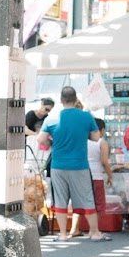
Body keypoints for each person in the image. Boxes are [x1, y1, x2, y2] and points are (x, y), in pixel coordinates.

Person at [41, 86, 108, 241]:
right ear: (75, 98)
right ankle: (95, 232)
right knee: (87, 198)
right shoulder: (86, 117)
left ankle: (63, 234)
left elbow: (41, 139)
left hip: (58, 165)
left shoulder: (52, 118)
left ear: (61, 100)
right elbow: (96, 137)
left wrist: (54, 140)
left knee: (60, 199)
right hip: (80, 165)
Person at [87, 117, 114, 233]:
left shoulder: (84, 141)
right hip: (97, 176)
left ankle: (78, 229)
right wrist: (110, 175)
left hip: (84, 175)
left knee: (87, 203)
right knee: (98, 204)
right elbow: (104, 161)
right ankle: (94, 230)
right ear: (102, 130)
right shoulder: (102, 142)